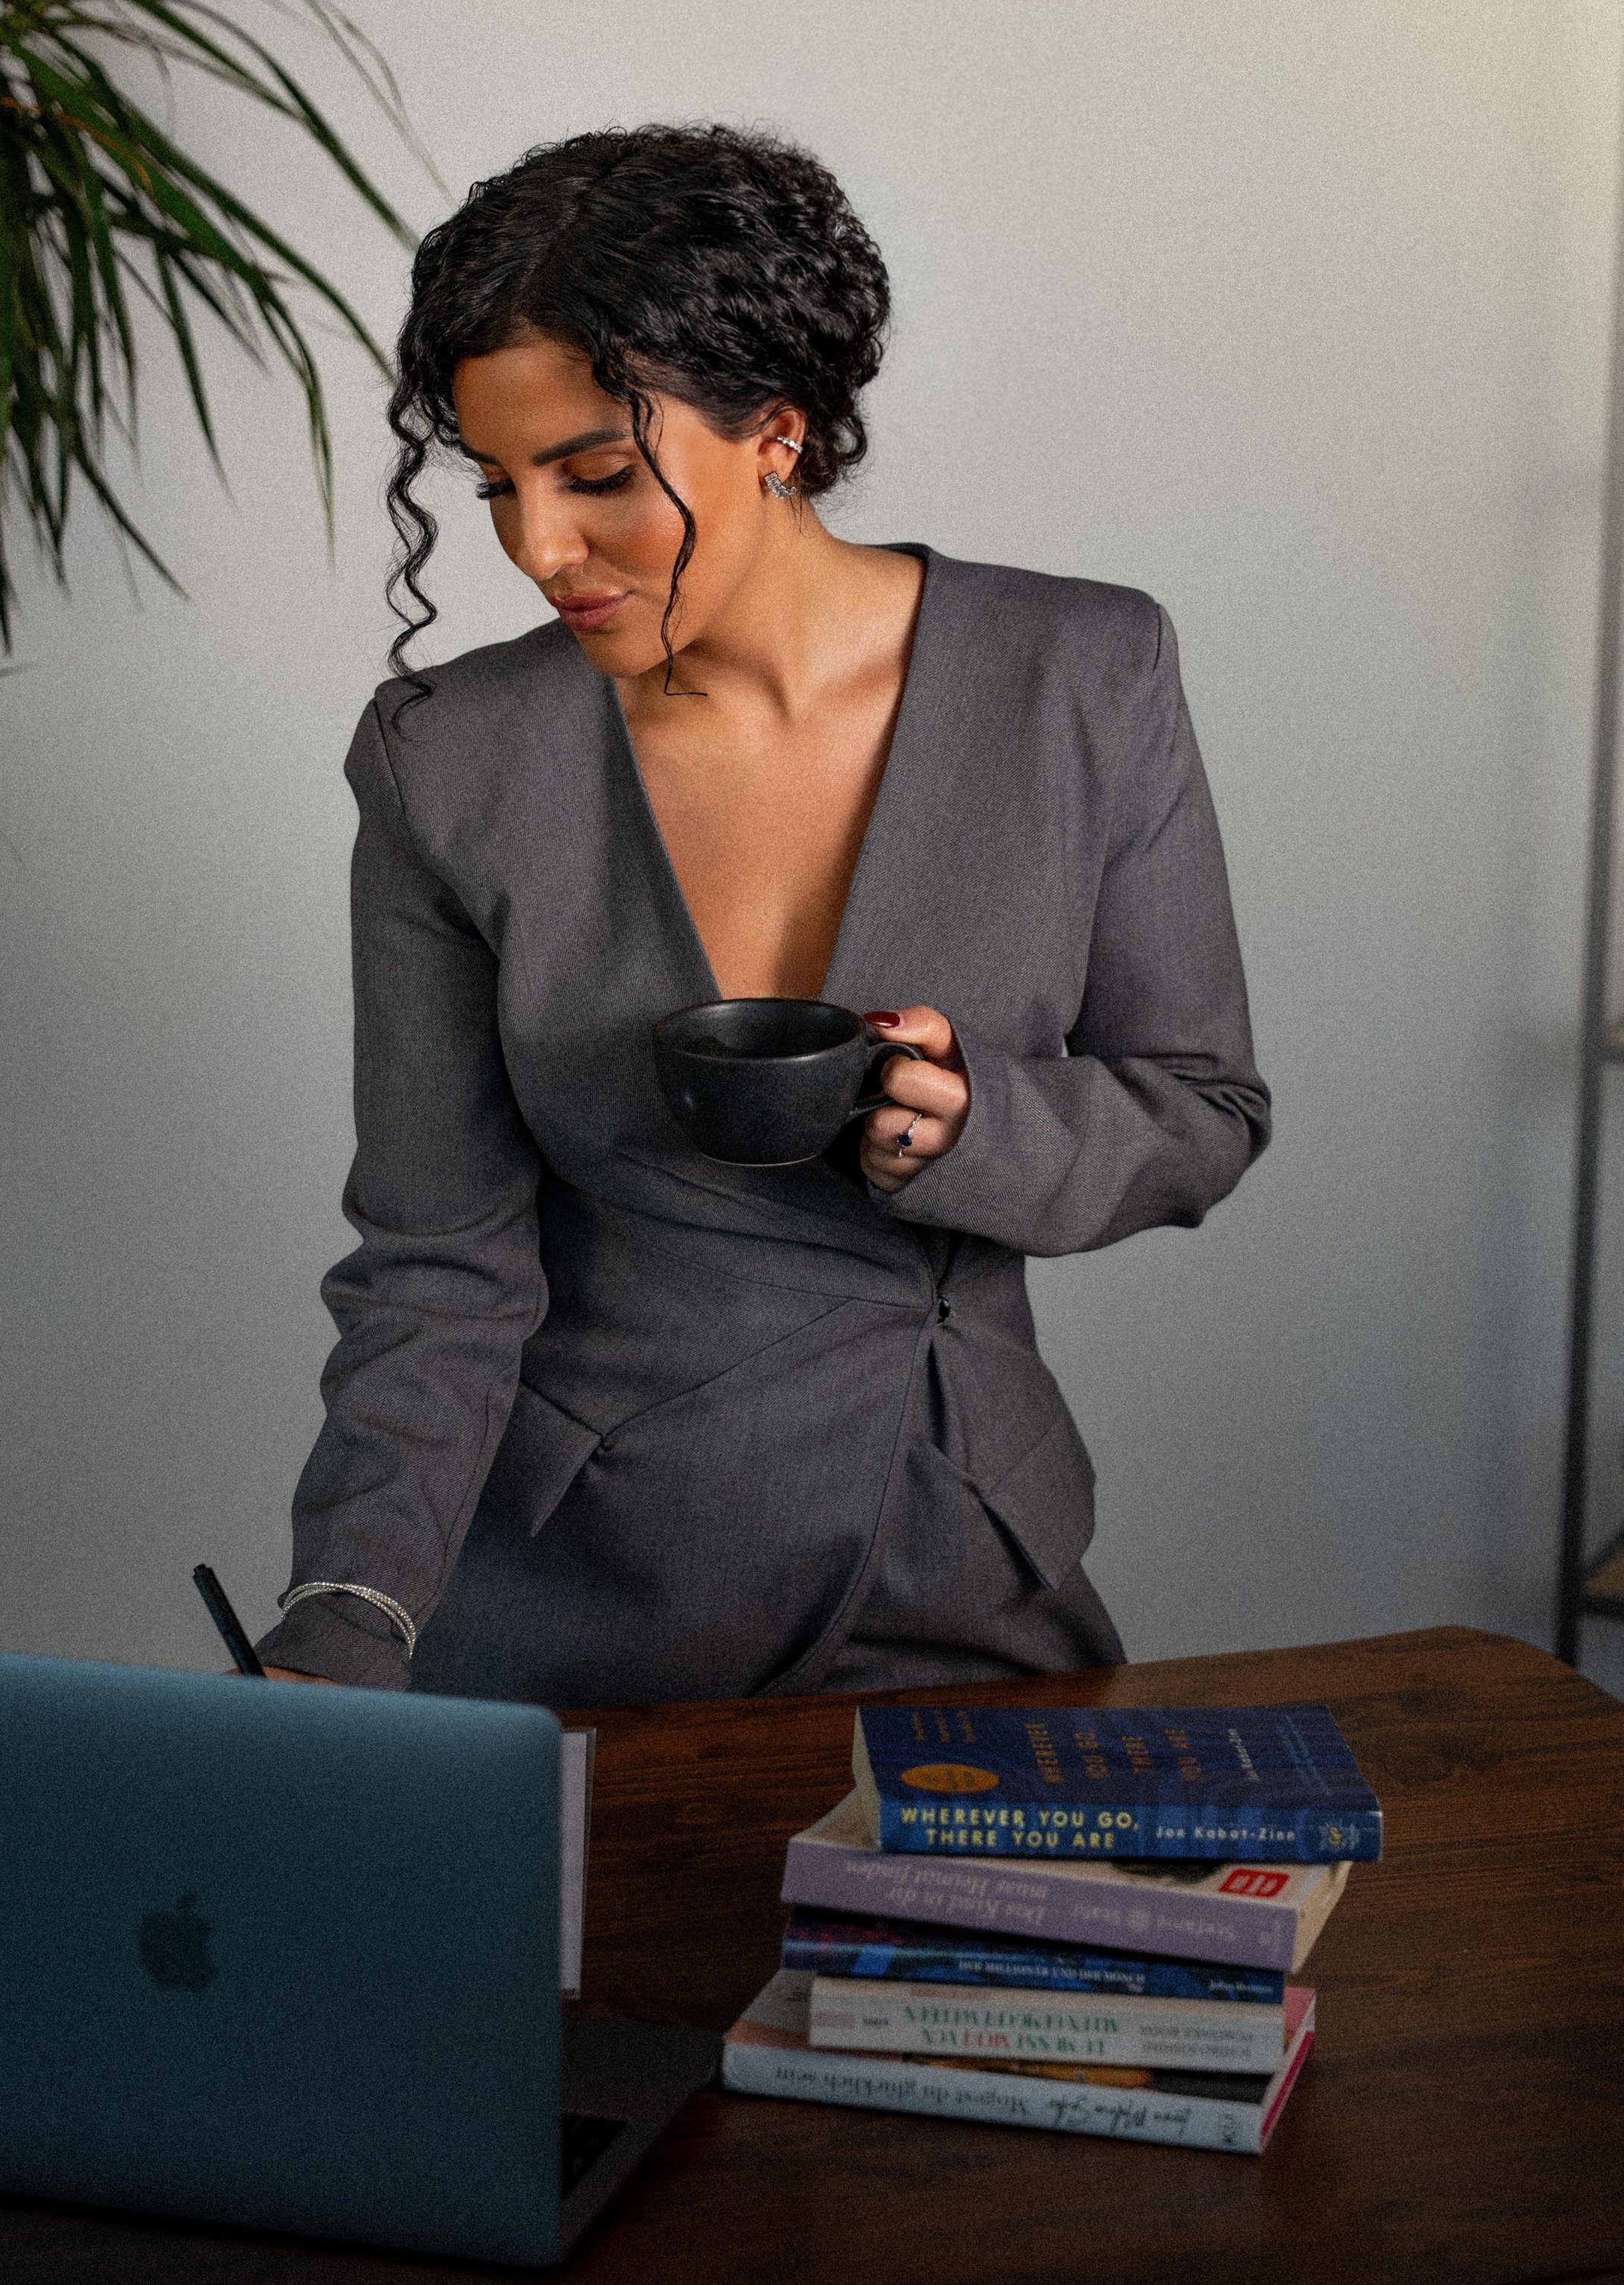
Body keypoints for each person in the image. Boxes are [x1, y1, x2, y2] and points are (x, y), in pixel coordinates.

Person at [256, 125, 1270, 1702]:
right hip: (577, 1608)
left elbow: (1198, 1110)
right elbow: (434, 1260)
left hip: (963, 1572)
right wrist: (352, 1602)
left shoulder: (1081, 675)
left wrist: (975, 1128)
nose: (536, 551)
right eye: (497, 486)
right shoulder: (446, 759)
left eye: (594, 476)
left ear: (778, 433)